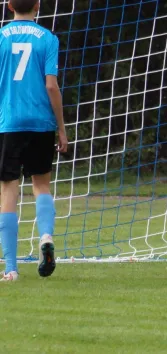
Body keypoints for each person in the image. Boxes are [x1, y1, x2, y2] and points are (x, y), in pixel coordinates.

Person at [0, 0, 68, 281]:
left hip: (9, 123)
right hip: (42, 123)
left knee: (8, 191)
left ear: (9, 6)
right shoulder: (48, 38)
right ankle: (46, 236)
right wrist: (61, 128)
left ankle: (11, 268)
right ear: (38, 6)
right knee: (41, 184)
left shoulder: (1, 38)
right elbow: (51, 85)